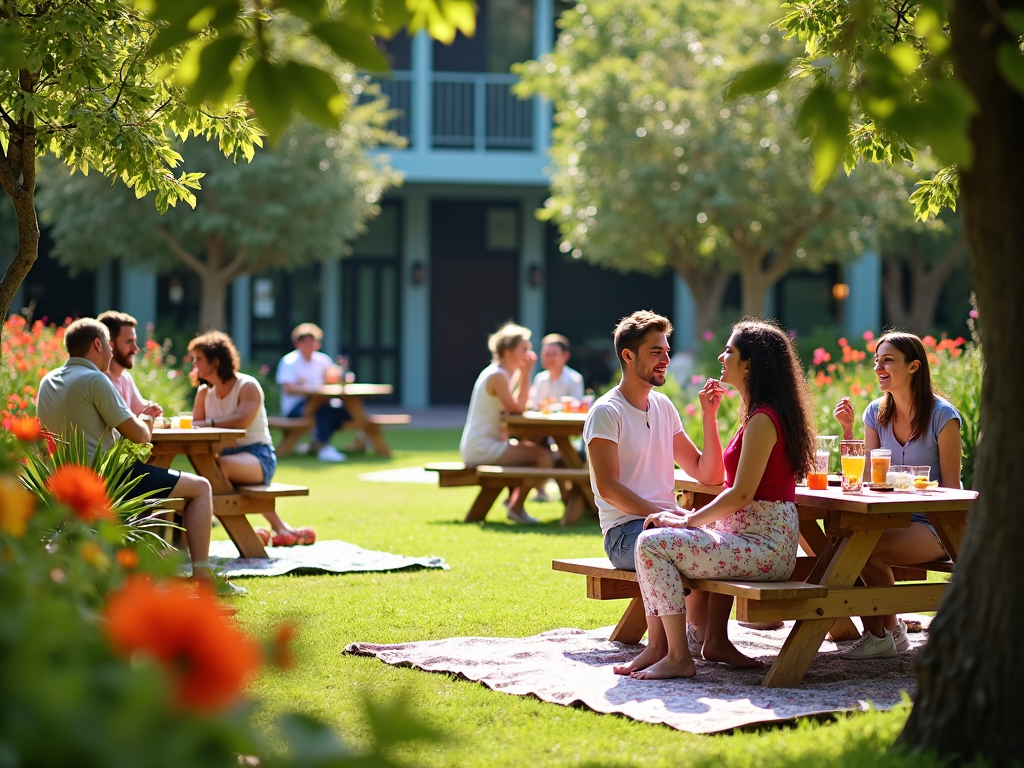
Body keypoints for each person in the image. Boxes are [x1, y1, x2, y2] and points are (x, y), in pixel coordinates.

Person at [615, 319, 815, 680]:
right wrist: (688, 517)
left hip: (766, 546)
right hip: (750, 537)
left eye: (730, 351)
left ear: (750, 364)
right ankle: (712, 641)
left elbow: (740, 493)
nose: (722, 357)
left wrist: (687, 521)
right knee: (664, 538)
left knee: (651, 545)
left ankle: (675, 654)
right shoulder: (758, 415)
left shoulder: (763, 420)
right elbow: (725, 484)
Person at [35, 319, 239, 593]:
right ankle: (202, 577)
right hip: (111, 478)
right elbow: (140, 434)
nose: (110, 353)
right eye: (108, 345)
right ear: (98, 344)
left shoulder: (47, 381)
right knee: (202, 487)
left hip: (66, 483)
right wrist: (146, 418)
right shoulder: (95, 379)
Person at [832, 330, 962, 660]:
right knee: (843, 541)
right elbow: (863, 480)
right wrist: (848, 433)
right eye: (877, 360)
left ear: (914, 367)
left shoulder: (943, 417)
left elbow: (952, 488)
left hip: (934, 525)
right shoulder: (876, 413)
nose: (878, 367)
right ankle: (888, 634)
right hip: (887, 519)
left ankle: (883, 634)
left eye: (888, 360)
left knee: (862, 548)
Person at [584, 310, 724, 574]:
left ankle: (697, 619)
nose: (666, 360)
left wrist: (709, 416)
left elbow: (710, 475)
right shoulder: (606, 412)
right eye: (656, 352)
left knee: (724, 544)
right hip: (624, 534)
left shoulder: (663, 406)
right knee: (703, 550)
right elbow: (608, 488)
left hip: (667, 526)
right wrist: (666, 515)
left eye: (667, 352)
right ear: (628, 355)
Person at [190, 331, 314, 547]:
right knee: (210, 468)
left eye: (198, 358)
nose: (194, 363)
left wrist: (208, 426)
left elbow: (240, 421)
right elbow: (196, 432)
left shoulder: (247, 386)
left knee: (215, 468)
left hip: (258, 456)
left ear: (216, 361)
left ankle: (243, 531)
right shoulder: (203, 393)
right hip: (223, 458)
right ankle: (277, 529)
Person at [460, 322, 554, 524]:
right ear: (509, 351)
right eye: (525, 349)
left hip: (487, 444)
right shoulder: (498, 375)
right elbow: (517, 409)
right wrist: (526, 374)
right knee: (543, 458)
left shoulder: (500, 373)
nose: (530, 354)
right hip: (482, 447)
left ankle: (514, 504)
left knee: (540, 454)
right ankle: (516, 507)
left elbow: (515, 406)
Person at [275, 323, 348, 463]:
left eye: (313, 342)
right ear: (298, 343)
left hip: (319, 403)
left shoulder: (323, 360)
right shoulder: (289, 361)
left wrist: (341, 376)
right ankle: (323, 446)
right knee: (322, 410)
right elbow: (289, 389)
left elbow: (333, 378)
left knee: (340, 411)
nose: (310, 346)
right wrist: (311, 389)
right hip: (294, 407)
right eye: (306, 342)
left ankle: (318, 442)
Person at [97, 310, 163, 420]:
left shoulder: (125, 378)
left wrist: (151, 410)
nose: (136, 349)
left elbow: (140, 409)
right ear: (110, 344)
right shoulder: (98, 382)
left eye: (135, 342)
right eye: (129, 342)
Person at [529, 333, 585, 406]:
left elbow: (576, 407)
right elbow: (533, 404)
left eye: (553, 354)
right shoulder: (540, 378)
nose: (549, 359)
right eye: (546, 354)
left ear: (566, 356)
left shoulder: (575, 379)